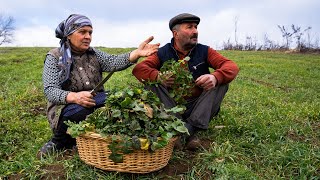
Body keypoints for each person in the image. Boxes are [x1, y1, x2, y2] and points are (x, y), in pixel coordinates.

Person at [38, 14, 160, 157]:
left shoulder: (94, 53)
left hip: (95, 100)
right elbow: (50, 90)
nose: (88, 36)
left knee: (120, 99)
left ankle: (88, 138)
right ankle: (59, 141)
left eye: (90, 32)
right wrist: (74, 97)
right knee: (80, 111)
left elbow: (114, 61)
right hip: (67, 106)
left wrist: (137, 53)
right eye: (82, 32)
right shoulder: (54, 57)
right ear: (69, 35)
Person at [132, 13, 239, 150]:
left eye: (195, 27)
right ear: (175, 34)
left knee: (221, 82)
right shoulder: (163, 53)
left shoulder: (204, 51)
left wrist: (214, 77)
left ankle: (187, 130)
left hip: (199, 106)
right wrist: (158, 76)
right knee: (151, 83)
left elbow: (231, 66)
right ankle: (187, 131)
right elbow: (139, 69)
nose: (195, 31)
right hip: (172, 107)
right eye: (189, 27)